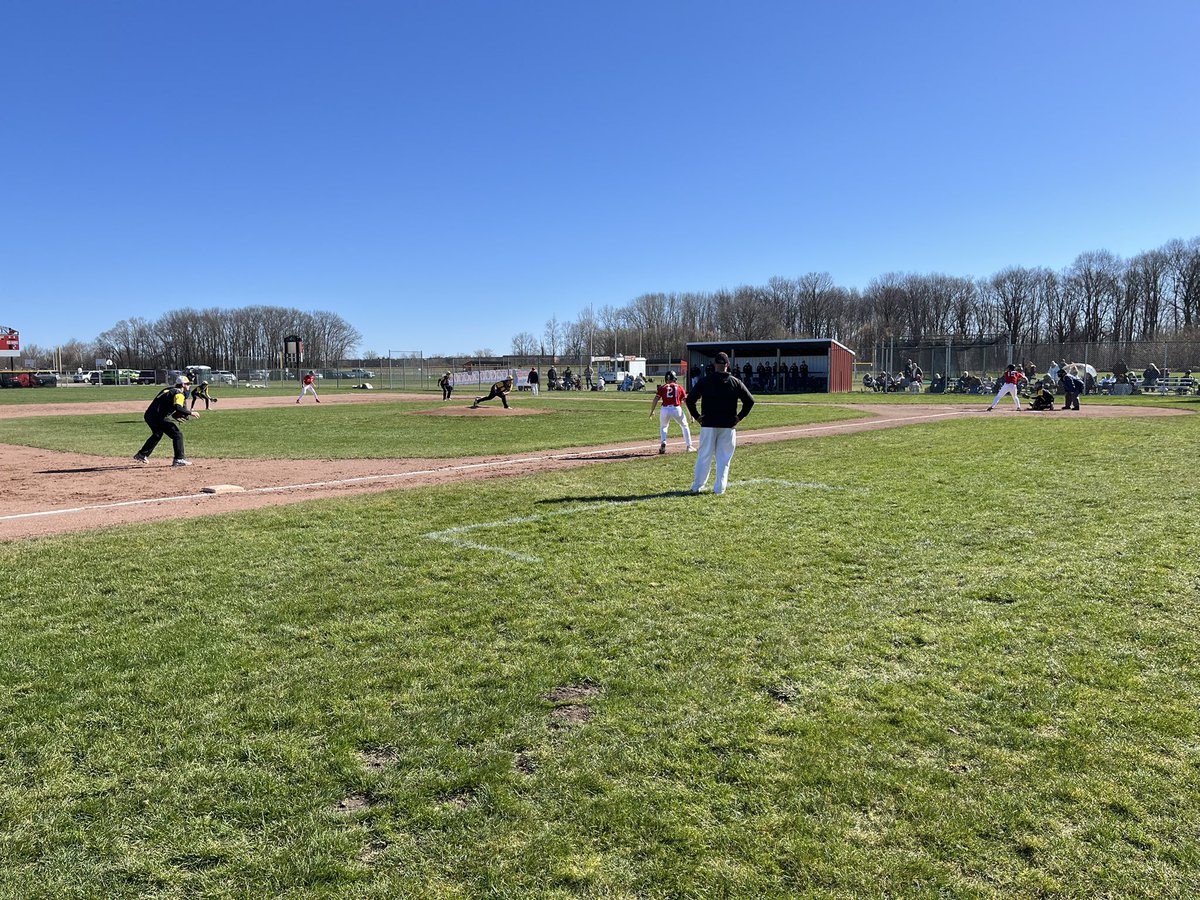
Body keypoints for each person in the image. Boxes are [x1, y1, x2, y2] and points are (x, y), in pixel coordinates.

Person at [685, 352, 755, 495]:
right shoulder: (735, 382)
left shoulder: (705, 381)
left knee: (704, 455)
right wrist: (739, 417)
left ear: (715, 365)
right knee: (724, 458)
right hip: (728, 425)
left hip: (708, 424)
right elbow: (750, 401)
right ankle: (719, 489)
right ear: (727, 365)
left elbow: (690, 400)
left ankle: (697, 486)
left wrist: (697, 416)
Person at [134, 375, 199, 466]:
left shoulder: (167, 390)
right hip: (158, 417)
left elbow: (165, 404)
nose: (189, 386)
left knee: (157, 434)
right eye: (188, 384)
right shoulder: (179, 394)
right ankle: (179, 459)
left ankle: (142, 454)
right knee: (177, 434)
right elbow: (178, 407)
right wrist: (190, 413)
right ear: (183, 384)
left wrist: (175, 416)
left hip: (149, 415)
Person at [649, 370, 694, 455]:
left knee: (663, 426)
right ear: (674, 378)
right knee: (684, 426)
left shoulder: (662, 387)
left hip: (664, 409)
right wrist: (691, 414)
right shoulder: (679, 387)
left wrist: (652, 410)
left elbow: (655, 399)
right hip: (676, 408)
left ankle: (664, 441)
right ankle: (689, 446)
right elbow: (686, 401)